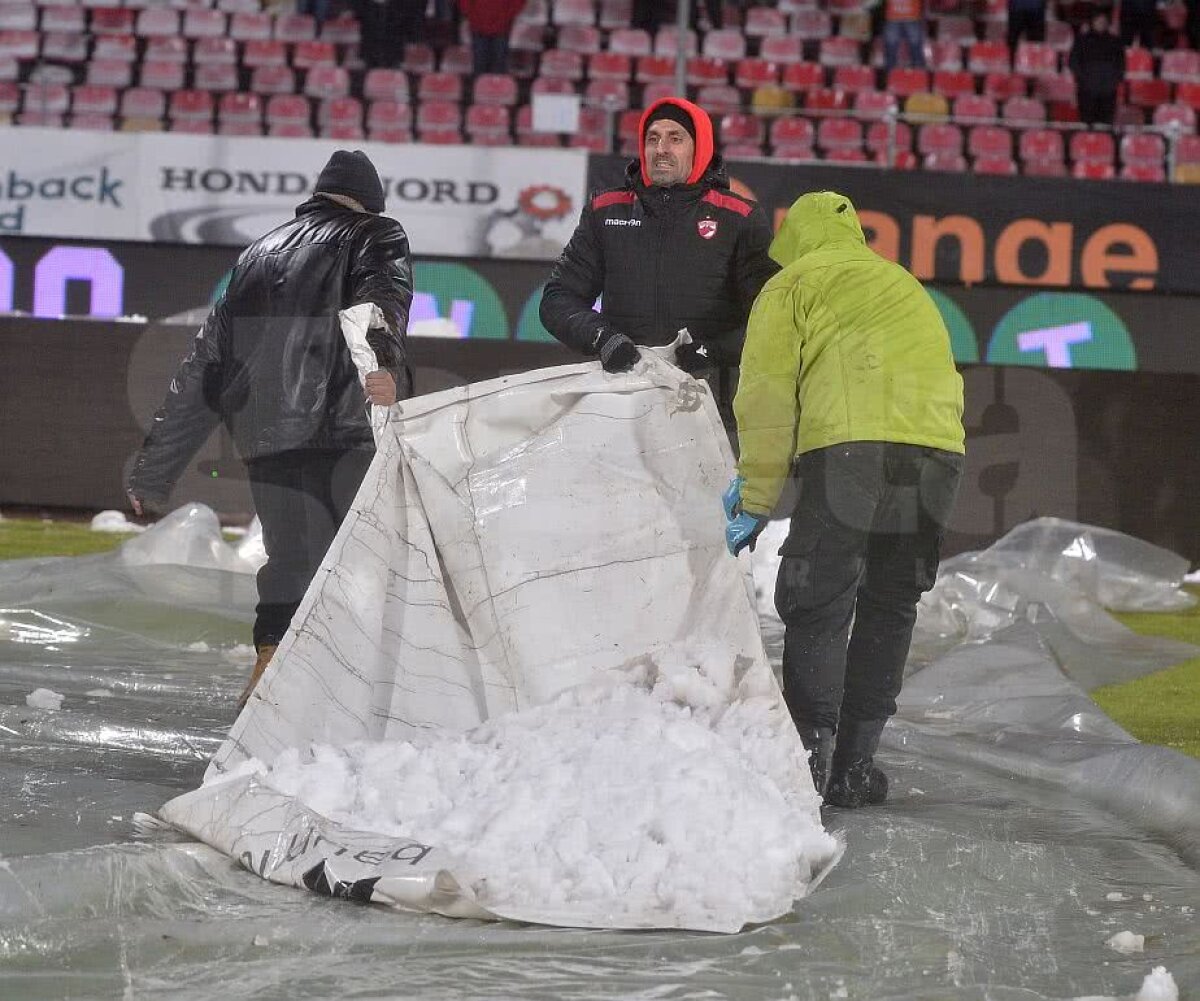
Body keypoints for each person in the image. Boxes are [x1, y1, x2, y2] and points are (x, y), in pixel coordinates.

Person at [127, 150, 413, 709]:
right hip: (345, 427)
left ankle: (271, 667)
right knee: (357, 561)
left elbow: (205, 365)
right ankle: (341, 696)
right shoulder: (377, 234)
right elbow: (383, 301)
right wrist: (381, 365)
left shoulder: (256, 253)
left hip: (266, 437)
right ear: (370, 200)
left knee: (290, 561)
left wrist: (153, 470)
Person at [724, 191, 964, 809]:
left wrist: (756, 496)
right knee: (891, 603)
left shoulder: (792, 286)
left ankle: (807, 767)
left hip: (852, 451)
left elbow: (767, 398)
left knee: (819, 600)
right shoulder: (904, 283)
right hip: (937, 450)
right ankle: (856, 766)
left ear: (794, 242)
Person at [539, 96, 778, 430]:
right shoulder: (606, 210)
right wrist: (603, 339)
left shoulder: (741, 217)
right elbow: (557, 298)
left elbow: (773, 316)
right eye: (653, 138)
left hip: (713, 408)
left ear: (700, 148)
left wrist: (712, 352)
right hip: (622, 403)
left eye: (675, 138)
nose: (661, 148)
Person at [1069, 9, 1125, 128]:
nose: (1101, 23)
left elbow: (1121, 65)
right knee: (1087, 123)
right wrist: (1083, 79)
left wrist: (1114, 81)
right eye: (1098, 21)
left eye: (1104, 21)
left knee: (1106, 125)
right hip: (1086, 89)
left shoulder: (1115, 42)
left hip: (1108, 90)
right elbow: (1073, 62)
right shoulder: (1081, 40)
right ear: (1092, 22)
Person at [458, 0, 526, 75]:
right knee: (480, 64)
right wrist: (472, 16)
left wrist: (507, 17)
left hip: (501, 28)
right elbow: (464, 3)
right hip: (479, 27)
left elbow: (518, 3)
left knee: (499, 66)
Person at [882, 0, 927, 72]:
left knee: (915, 47)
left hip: (911, 17)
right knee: (891, 48)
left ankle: (919, 77)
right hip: (894, 17)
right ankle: (889, 77)